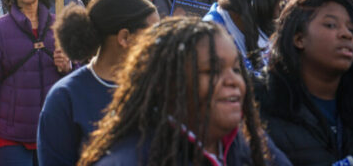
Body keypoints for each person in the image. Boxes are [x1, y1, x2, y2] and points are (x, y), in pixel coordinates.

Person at [78, 17, 291, 166]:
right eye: (212, 71)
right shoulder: (129, 160)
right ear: (168, 84)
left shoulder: (250, 142)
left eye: (236, 69)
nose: (233, 81)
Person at [37, 0, 158, 166]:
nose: (159, 42)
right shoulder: (65, 97)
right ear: (124, 37)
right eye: (153, 33)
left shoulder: (157, 87)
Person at [256, 0, 353, 165]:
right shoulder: (263, 106)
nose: (346, 34)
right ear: (299, 38)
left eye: (352, 29)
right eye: (330, 25)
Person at [0, 0, 71, 165]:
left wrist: (69, 66)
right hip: (10, 135)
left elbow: (79, 77)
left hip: (52, 131)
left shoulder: (60, 28)